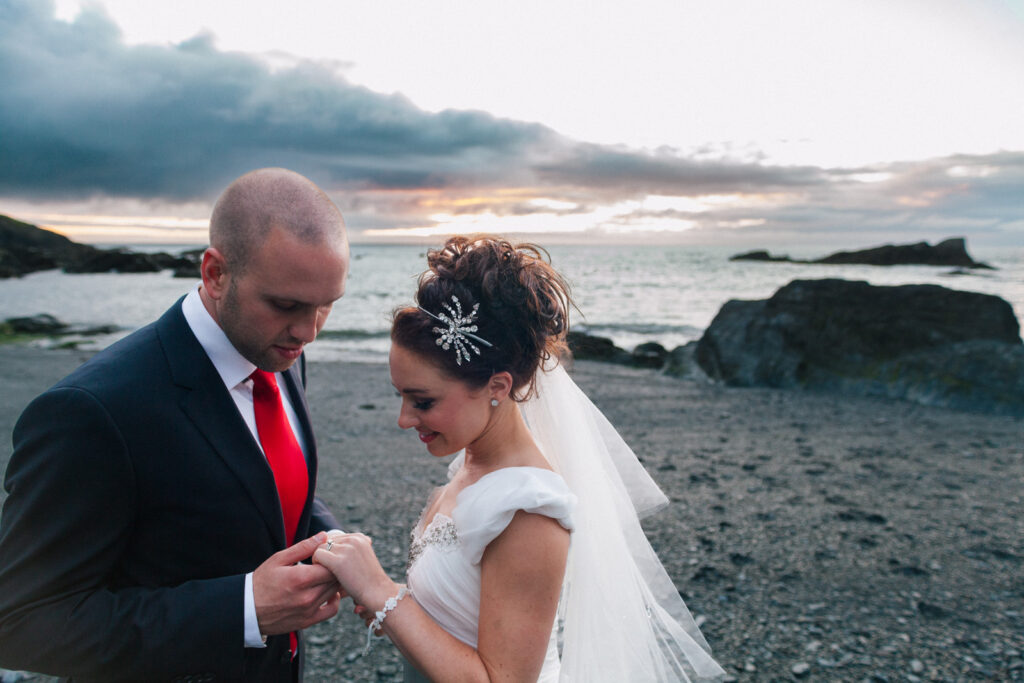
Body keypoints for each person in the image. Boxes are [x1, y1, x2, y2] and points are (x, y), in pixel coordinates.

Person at [314, 235, 726, 681]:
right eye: (401, 396)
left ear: (497, 387)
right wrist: (391, 602)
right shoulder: (471, 467)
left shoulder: (528, 512)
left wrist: (379, 592)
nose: (403, 419)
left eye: (423, 401)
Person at [0, 168, 349, 681]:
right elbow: (21, 622)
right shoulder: (92, 412)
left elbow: (259, 482)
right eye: (285, 305)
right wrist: (244, 610)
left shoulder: (282, 352)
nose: (308, 332)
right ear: (215, 273)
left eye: (326, 306)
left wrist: (334, 543)